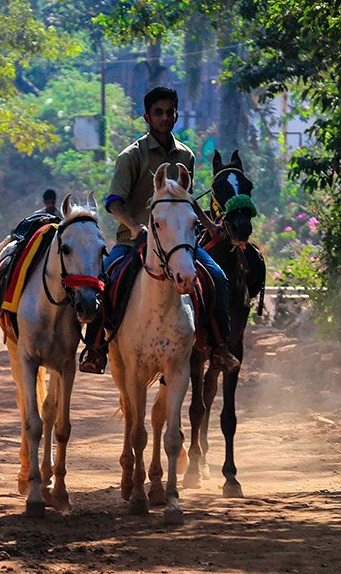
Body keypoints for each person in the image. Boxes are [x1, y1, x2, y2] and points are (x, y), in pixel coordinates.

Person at [78, 86, 240, 374]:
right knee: (107, 278)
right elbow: (114, 203)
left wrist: (209, 225)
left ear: (176, 115)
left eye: (169, 112)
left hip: (179, 241)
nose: (165, 118)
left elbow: (185, 199)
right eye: (158, 113)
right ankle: (96, 348)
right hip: (134, 240)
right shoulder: (131, 156)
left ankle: (219, 346)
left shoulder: (186, 155)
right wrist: (134, 227)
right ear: (147, 117)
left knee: (217, 276)